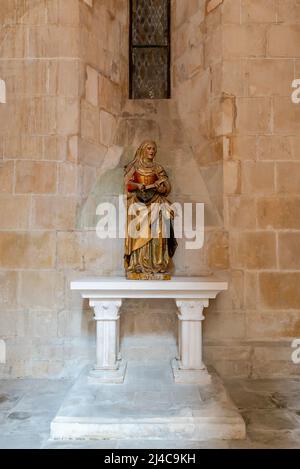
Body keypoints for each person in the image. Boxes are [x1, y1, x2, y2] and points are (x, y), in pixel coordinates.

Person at [124, 140, 177, 279]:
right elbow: (127, 184)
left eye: (154, 148)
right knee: (139, 233)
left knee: (159, 232)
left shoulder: (158, 168)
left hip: (156, 202)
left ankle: (158, 263)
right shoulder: (135, 166)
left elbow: (167, 186)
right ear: (143, 150)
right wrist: (138, 186)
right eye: (149, 148)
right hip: (139, 204)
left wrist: (161, 187)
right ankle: (138, 264)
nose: (152, 151)